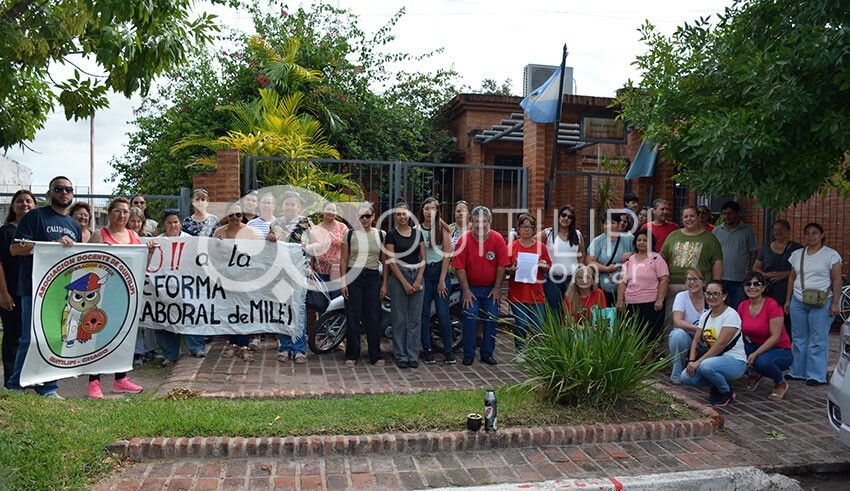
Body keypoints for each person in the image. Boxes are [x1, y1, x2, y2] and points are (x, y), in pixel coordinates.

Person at [7, 176, 83, 398]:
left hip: (63, 291)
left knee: (56, 338)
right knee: (30, 338)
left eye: (68, 189)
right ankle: (15, 385)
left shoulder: (74, 225)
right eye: (58, 188)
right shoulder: (34, 217)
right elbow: (15, 249)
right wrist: (49, 246)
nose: (64, 192)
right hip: (34, 288)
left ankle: (48, 387)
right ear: (50, 193)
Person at [86, 197, 148, 398]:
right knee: (98, 337)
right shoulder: (99, 234)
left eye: (125, 212)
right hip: (101, 294)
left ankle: (120, 379)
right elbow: (86, 263)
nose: (122, 215)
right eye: (117, 211)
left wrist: (151, 252)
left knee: (123, 337)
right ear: (110, 213)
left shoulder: (133, 235)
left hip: (126, 294)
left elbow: (143, 267)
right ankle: (94, 382)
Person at [785, 223, 842, 386]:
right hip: (799, 298)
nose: (811, 237)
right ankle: (797, 371)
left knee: (818, 338)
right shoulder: (797, 254)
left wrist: (836, 303)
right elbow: (791, 278)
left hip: (821, 300)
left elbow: (837, 279)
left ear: (822, 235)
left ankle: (816, 375)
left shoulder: (831, 255)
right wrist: (788, 300)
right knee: (799, 337)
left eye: (815, 233)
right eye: (808, 233)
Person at [454, 206, 509, 366]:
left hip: (491, 289)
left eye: (484, 221)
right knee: (470, 317)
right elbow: (459, 267)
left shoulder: (497, 239)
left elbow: (502, 265)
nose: (480, 225)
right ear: (471, 222)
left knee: (492, 318)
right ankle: (469, 353)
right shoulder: (464, 240)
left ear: (489, 223)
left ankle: (487, 353)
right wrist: (466, 291)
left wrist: (497, 288)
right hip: (471, 288)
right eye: (477, 221)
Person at [682, 280, 747, 407]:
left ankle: (725, 391)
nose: (711, 297)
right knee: (686, 377)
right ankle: (717, 384)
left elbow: (721, 344)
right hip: (712, 360)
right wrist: (691, 360)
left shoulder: (731, 315)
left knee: (707, 366)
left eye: (716, 294)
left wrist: (698, 362)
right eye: (708, 293)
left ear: (724, 296)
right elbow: (696, 340)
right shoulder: (706, 315)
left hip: (735, 360)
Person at [155, 209, 204, 365]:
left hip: (186, 286)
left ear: (180, 223)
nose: (172, 225)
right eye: (169, 222)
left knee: (191, 314)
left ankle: (196, 347)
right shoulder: (157, 241)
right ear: (164, 225)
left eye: (175, 222)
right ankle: (170, 353)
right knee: (164, 317)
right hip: (163, 288)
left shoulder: (190, 240)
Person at [340, 203, 385, 367]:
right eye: (361, 216)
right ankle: (352, 354)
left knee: (373, 316)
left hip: (372, 276)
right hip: (353, 276)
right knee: (353, 315)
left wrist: (384, 284)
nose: (364, 219)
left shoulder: (381, 234)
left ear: (373, 217)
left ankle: (375, 354)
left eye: (368, 216)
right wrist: (343, 282)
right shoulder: (350, 235)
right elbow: (343, 259)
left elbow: (386, 261)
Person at [660, 205, 723, 321]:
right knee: (671, 319)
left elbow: (717, 262)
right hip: (673, 285)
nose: (689, 219)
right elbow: (662, 257)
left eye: (692, 216)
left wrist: (715, 284)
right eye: (686, 216)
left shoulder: (709, 238)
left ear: (699, 217)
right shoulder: (673, 235)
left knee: (697, 318)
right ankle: (671, 339)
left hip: (698, 286)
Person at [268, 191, 310, 362]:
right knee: (283, 308)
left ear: (298, 207)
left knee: (299, 308)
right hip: (280, 272)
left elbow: (310, 245)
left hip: (299, 271)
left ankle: (299, 349)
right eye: (287, 204)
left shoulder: (306, 223)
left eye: (293, 204)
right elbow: (270, 249)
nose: (290, 207)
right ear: (282, 206)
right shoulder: (276, 223)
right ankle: (285, 347)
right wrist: (269, 238)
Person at [737, 272, 793, 401]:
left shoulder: (772, 305)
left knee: (762, 362)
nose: (752, 287)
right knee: (735, 355)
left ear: (763, 287)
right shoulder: (743, 305)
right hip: (753, 345)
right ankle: (754, 374)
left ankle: (780, 382)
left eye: (757, 284)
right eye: (748, 284)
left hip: (779, 348)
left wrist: (755, 354)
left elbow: (776, 337)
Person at [213, 202, 258, 362]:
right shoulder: (219, 232)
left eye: (238, 214)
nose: (234, 218)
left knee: (244, 311)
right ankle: (233, 344)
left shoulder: (251, 232)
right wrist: (217, 245)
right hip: (226, 278)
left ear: (242, 215)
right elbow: (213, 256)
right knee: (230, 310)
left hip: (245, 278)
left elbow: (257, 255)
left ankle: (244, 346)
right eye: (231, 214)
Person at [384, 201, 426, 369]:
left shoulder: (418, 234)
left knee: (414, 319)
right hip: (399, 276)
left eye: (404, 213)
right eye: (398, 214)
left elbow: (423, 258)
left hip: (416, 274)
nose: (402, 217)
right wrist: (404, 282)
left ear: (409, 215)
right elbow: (391, 261)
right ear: (395, 216)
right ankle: (401, 354)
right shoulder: (391, 235)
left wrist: (417, 280)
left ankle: (413, 354)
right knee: (399, 318)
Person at [0, 190, 36, 388]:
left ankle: (27, 377)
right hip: (11, 291)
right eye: (20, 201)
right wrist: (3, 293)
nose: (25, 204)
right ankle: (11, 381)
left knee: (30, 336)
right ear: (13, 206)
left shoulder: (37, 232)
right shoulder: (5, 232)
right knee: (13, 336)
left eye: (29, 201)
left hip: (32, 290)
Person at [506, 212, 550, 353]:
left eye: (530, 226)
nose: (527, 229)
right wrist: (511, 270)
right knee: (522, 323)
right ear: (518, 229)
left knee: (538, 325)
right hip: (518, 292)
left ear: (534, 229)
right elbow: (505, 269)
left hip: (536, 292)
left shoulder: (541, 247)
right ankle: (520, 349)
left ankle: (537, 351)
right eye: (524, 226)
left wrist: (544, 266)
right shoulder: (512, 247)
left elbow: (549, 266)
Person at [417, 198, 454, 364]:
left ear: (437, 211)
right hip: (424, 274)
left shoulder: (442, 229)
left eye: (433, 209)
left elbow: (447, 255)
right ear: (422, 211)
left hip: (440, 272)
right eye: (426, 209)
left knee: (443, 313)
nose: (429, 212)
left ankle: (448, 350)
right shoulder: (417, 230)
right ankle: (428, 350)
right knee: (423, 314)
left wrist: (442, 280)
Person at [617, 228, 669, 342]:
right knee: (633, 338)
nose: (641, 242)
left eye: (645, 240)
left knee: (650, 339)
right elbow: (622, 281)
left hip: (651, 304)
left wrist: (660, 299)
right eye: (639, 240)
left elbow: (664, 279)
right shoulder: (629, 260)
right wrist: (620, 300)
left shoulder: (656, 258)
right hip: (631, 304)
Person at [753, 219, 801, 340]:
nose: (778, 232)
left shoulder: (797, 249)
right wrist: (766, 275)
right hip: (769, 290)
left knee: (787, 321)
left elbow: (803, 269)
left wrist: (786, 274)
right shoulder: (766, 248)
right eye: (775, 230)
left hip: (788, 290)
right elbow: (756, 267)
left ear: (788, 231)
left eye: (781, 229)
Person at [536, 205, 586, 317]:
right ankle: (554, 334)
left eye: (570, 217)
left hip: (572, 278)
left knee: (570, 310)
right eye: (563, 215)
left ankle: (569, 333)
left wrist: (581, 270)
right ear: (558, 216)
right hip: (552, 278)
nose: (566, 218)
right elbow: (531, 244)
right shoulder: (548, 233)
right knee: (554, 310)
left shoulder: (577, 235)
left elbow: (581, 256)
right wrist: (540, 261)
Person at [713, 201, 758, 309]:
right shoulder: (716, 231)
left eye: (730, 213)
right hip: (720, 277)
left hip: (739, 278)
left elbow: (753, 251)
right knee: (718, 307)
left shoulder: (747, 231)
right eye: (724, 213)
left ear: (738, 213)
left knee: (737, 308)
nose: (727, 216)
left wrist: (750, 270)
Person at [667, 268, 707, 384]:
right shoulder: (681, 296)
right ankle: (677, 375)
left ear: (704, 282)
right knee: (677, 335)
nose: (692, 282)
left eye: (696, 279)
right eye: (689, 279)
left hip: (706, 337)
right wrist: (699, 329)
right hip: (688, 336)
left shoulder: (710, 297)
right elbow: (677, 322)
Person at [588, 212, 634, 306]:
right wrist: (607, 269)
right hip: (604, 287)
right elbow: (590, 261)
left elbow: (643, 254)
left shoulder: (629, 239)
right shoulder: (598, 241)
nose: (609, 226)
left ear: (619, 224)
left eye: (612, 223)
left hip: (627, 287)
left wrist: (631, 254)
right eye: (606, 223)